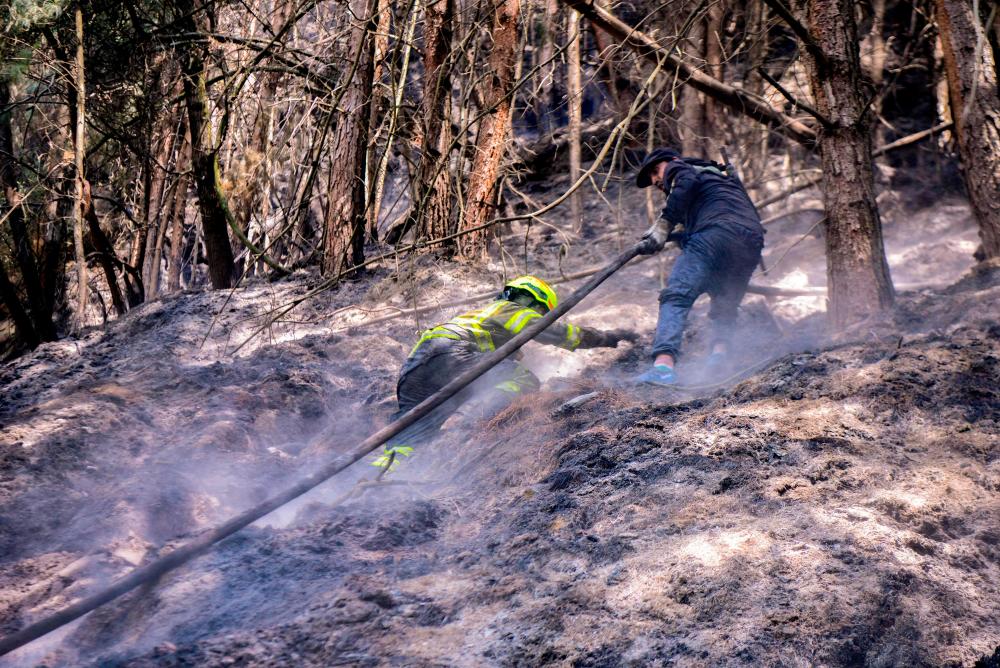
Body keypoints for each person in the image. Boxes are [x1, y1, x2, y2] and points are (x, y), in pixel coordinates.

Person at [375, 275, 636, 466]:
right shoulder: (509, 309)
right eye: (541, 311)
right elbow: (552, 331)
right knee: (521, 378)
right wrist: (606, 337)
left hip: (414, 369)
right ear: (534, 303)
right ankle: (482, 418)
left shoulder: (479, 316)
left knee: (412, 429)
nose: (539, 315)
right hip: (455, 353)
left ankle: (384, 473)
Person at [633, 147, 765, 386]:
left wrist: (664, 225)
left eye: (655, 171)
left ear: (670, 161)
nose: (655, 180)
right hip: (751, 240)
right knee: (724, 303)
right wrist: (678, 233)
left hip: (716, 232)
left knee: (676, 295)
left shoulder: (680, 168)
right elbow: (699, 217)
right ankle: (720, 357)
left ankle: (663, 366)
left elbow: (685, 181)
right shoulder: (717, 178)